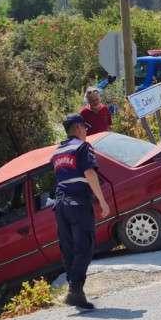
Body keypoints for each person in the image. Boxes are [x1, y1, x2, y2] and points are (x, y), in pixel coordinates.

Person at [52, 114, 111, 309]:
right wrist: (102, 201)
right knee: (85, 246)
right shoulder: (82, 147)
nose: (86, 131)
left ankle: (75, 291)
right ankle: (75, 290)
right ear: (78, 128)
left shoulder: (58, 152)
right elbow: (89, 173)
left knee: (68, 248)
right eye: (85, 128)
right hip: (78, 203)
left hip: (61, 205)